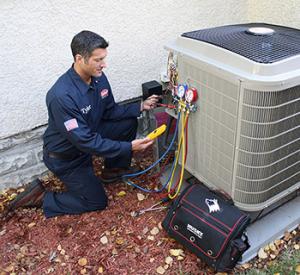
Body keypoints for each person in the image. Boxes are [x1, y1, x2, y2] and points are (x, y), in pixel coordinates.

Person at [6, 30, 160, 218]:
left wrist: (141, 106)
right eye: (98, 60)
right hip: (67, 157)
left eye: (104, 58)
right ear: (80, 58)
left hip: (88, 137)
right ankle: (41, 197)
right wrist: (128, 147)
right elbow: (86, 141)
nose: (104, 64)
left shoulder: (99, 77)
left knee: (127, 122)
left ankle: (113, 171)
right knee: (96, 201)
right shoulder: (62, 96)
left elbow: (110, 110)